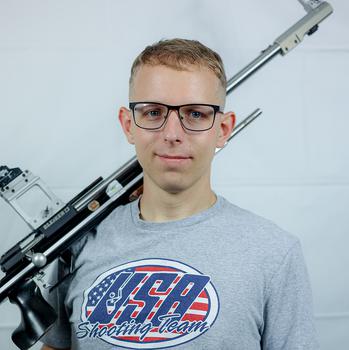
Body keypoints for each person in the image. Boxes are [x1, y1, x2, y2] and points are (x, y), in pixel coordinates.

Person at [41, 38, 318, 350]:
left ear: (223, 129)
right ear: (128, 124)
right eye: (153, 112)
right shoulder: (78, 244)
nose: (172, 134)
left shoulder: (275, 253)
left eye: (196, 114)